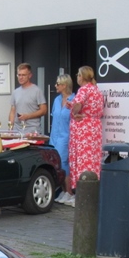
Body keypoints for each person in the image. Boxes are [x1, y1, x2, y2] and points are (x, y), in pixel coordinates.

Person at [68, 66, 104, 208]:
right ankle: (94, 189)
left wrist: (74, 111)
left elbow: (78, 104)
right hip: (95, 128)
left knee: (82, 159)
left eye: (78, 74)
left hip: (83, 129)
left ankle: (82, 192)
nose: (77, 77)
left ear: (82, 77)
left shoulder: (83, 90)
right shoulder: (97, 90)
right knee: (93, 159)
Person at [50, 74, 76, 205]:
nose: (56, 86)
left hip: (66, 136)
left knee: (64, 163)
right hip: (54, 136)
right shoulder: (56, 100)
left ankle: (69, 192)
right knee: (56, 164)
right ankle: (63, 190)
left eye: (58, 84)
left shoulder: (74, 100)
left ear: (64, 85)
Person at [8, 63, 47, 134]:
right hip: (17, 131)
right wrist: (10, 130)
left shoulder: (37, 91)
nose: (21, 77)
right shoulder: (15, 92)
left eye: (23, 75)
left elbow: (44, 110)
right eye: (19, 75)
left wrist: (28, 116)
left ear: (30, 75)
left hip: (32, 131)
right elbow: (12, 112)